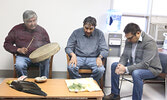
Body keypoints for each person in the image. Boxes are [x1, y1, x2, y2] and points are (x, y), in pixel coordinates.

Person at [104, 23, 162, 100]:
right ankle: (115, 94)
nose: (128, 40)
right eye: (127, 38)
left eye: (130, 38)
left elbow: (145, 64)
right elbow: (124, 55)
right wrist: (120, 65)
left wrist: (125, 69)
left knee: (136, 73)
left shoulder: (149, 42)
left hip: (151, 69)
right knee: (114, 65)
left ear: (138, 33)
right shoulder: (129, 40)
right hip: (135, 65)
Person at [4, 10, 50, 78]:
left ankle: (44, 81)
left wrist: (42, 52)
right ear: (24, 21)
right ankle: (24, 83)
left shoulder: (41, 30)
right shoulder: (16, 30)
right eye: (29, 21)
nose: (33, 23)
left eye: (34, 20)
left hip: (38, 57)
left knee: (46, 61)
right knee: (19, 65)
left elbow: (48, 44)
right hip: (23, 57)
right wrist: (18, 49)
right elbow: (6, 44)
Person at [65, 16, 108, 84]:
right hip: (78, 57)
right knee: (71, 68)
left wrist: (100, 57)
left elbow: (105, 50)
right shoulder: (76, 32)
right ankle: (80, 83)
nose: (88, 31)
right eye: (86, 28)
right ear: (83, 26)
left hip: (93, 58)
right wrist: (73, 55)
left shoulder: (99, 33)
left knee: (101, 70)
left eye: (91, 29)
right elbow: (68, 47)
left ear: (94, 27)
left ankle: (91, 83)